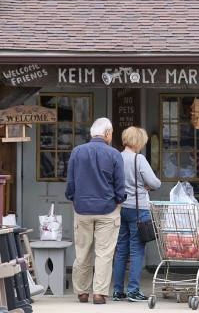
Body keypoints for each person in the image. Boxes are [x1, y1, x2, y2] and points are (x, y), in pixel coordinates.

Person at [65, 117, 126, 305]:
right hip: (108, 209)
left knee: (82, 251)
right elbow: (120, 185)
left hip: (82, 209)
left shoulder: (77, 152)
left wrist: (73, 198)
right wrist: (119, 201)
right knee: (104, 253)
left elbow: (70, 183)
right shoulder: (114, 154)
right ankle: (99, 293)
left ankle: (82, 292)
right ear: (107, 133)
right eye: (111, 133)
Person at [112, 126, 161, 302]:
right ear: (139, 141)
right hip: (139, 209)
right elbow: (155, 183)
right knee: (137, 250)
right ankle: (133, 290)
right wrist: (145, 185)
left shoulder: (115, 157)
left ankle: (118, 291)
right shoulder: (138, 159)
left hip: (119, 208)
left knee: (121, 250)